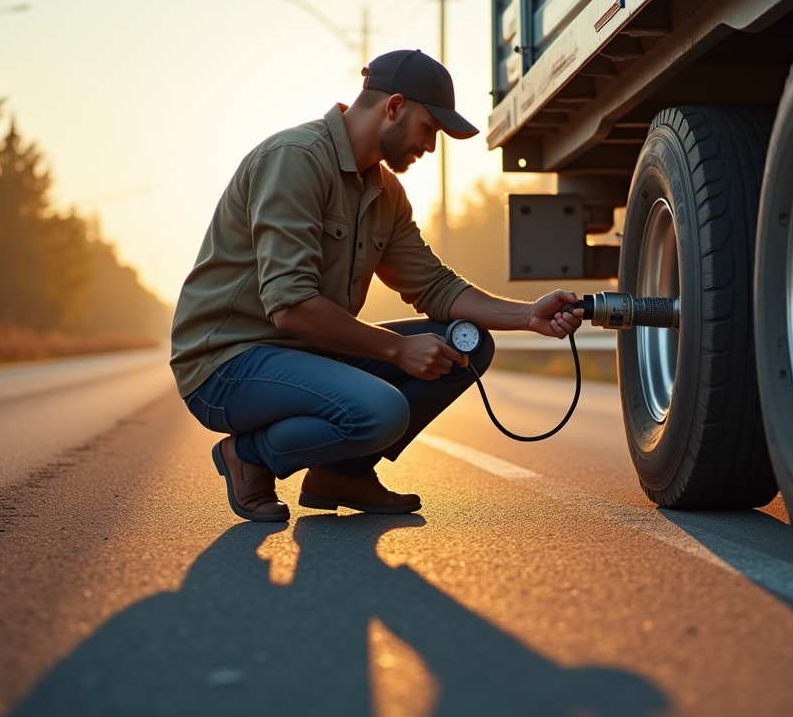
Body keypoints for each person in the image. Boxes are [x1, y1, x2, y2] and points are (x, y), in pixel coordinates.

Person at [170, 49, 582, 523]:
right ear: (394, 107)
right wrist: (395, 350)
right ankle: (250, 456)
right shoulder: (296, 160)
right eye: (430, 128)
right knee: (382, 411)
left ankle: (341, 473)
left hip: (308, 354)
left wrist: (528, 315)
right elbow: (292, 308)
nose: (431, 146)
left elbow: (436, 288)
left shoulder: (387, 193)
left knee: (463, 348)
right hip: (228, 363)